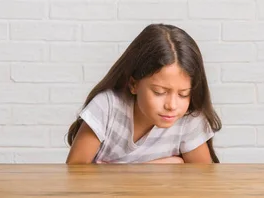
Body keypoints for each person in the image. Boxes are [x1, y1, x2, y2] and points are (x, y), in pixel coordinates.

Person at [65, 23, 221, 164]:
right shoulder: (107, 108)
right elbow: (74, 174)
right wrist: (160, 167)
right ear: (134, 84)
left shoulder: (189, 119)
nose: (172, 105)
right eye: (159, 92)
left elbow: (204, 180)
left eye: (184, 94)